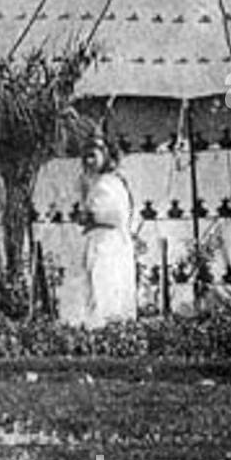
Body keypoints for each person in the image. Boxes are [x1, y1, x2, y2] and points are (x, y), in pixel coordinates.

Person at [75, 135, 138, 328]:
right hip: (97, 239)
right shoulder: (93, 182)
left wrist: (90, 217)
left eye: (93, 156)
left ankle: (108, 326)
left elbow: (116, 215)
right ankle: (95, 326)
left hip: (109, 241)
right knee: (95, 284)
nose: (89, 161)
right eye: (86, 157)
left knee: (107, 282)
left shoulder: (109, 183)